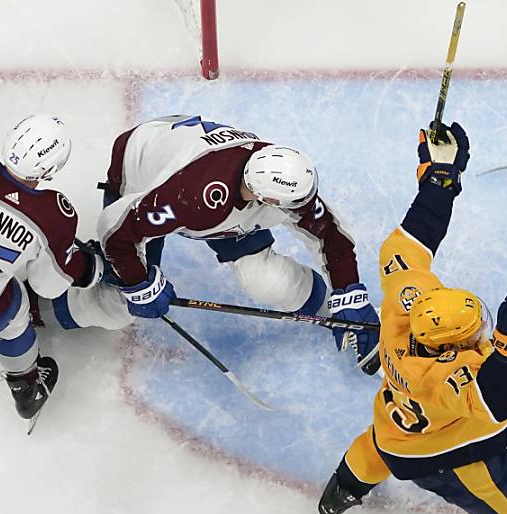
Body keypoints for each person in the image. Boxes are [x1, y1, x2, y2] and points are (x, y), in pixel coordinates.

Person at [316, 122, 507, 514]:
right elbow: (497, 401)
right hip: (450, 458)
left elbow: (413, 241)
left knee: (375, 446)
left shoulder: (406, 308)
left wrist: (439, 175)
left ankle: (339, 495)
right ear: (456, 345)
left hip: (394, 428)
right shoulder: (452, 377)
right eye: (476, 334)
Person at [83, 115, 378, 373]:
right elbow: (116, 230)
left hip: (216, 195)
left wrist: (347, 291)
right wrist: (137, 284)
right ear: (267, 199)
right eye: (291, 206)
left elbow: (328, 233)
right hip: (142, 169)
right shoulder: (190, 198)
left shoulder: (282, 175)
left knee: (267, 280)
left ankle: (327, 311)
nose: (301, 210)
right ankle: (58, 309)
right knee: (122, 300)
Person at [0, 115, 103, 420]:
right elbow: (49, 284)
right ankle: (26, 387)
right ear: (49, 169)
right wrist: (87, 267)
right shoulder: (52, 214)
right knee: (14, 311)